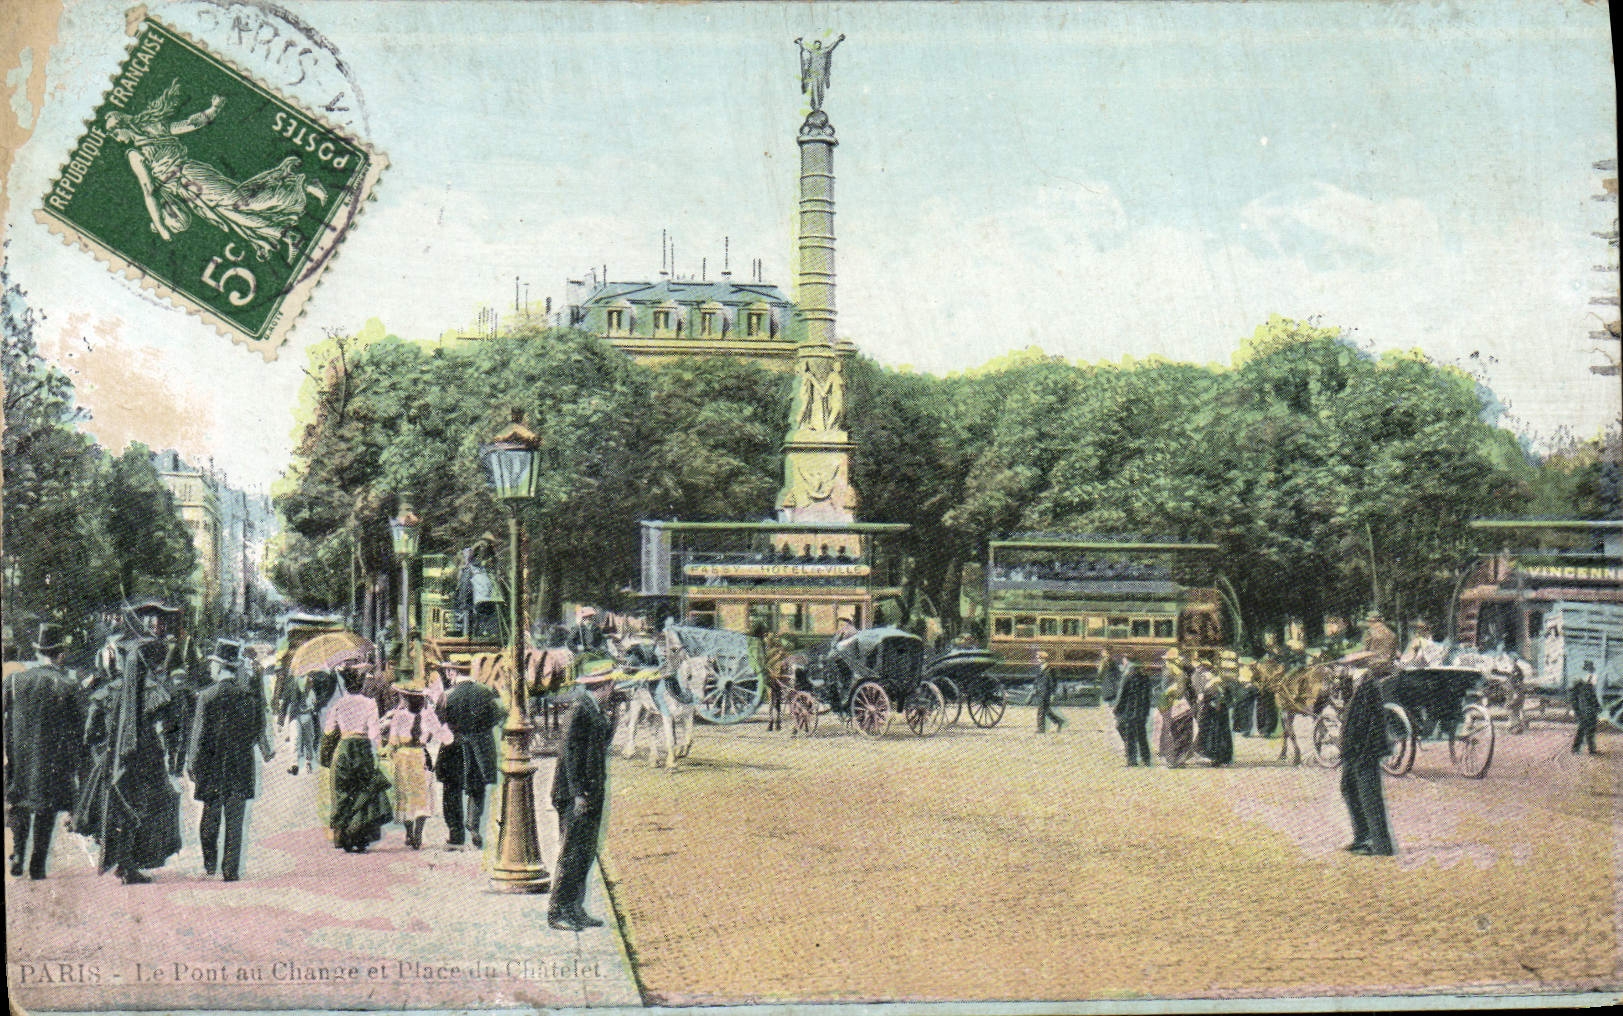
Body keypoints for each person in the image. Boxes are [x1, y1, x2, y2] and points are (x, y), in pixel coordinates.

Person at [76, 636, 183, 883]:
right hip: (147, 762)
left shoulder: (105, 692)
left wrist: (105, 754)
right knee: (143, 810)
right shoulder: (155, 691)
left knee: (118, 810)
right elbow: (171, 726)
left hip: (114, 761)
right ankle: (129, 864)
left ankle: (124, 862)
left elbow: (90, 734)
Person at [5, 624, 84, 880]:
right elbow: (76, 732)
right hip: (51, 761)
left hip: (18, 758)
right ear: (60, 654)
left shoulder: (14, 681)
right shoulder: (67, 685)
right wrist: (75, 768)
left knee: (19, 802)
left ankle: (17, 854)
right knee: (45, 809)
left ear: (37, 652)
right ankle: (37, 865)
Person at [186, 656, 275, 880]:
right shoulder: (248, 697)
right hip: (240, 764)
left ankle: (209, 863)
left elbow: (198, 733)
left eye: (213, 665)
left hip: (212, 765)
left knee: (210, 817)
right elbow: (258, 729)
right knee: (236, 821)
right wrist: (264, 750)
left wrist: (192, 762)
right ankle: (230, 871)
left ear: (219, 668)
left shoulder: (206, 696)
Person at [548, 668, 617, 932]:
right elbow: (570, 755)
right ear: (605, 686)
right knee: (571, 854)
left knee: (585, 854)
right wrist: (578, 794)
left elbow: (602, 743)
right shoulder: (580, 711)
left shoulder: (594, 709)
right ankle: (557, 912)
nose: (612, 693)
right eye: (611, 687)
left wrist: (613, 718)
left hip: (590, 793)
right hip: (575, 795)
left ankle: (575, 909)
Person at [322, 666, 392, 853]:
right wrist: (378, 752)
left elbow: (328, 730)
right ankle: (360, 835)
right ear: (361, 685)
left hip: (344, 747)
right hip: (362, 749)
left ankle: (342, 835)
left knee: (342, 790)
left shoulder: (338, 703)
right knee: (363, 789)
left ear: (345, 685)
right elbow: (374, 733)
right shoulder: (370, 703)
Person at [438, 664, 503, 849]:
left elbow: (438, 720)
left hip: (453, 745)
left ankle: (455, 834)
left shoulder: (447, 695)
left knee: (451, 789)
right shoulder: (485, 691)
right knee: (476, 786)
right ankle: (473, 825)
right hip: (479, 746)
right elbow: (496, 716)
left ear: (453, 672)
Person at [381, 683, 449, 850]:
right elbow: (442, 735)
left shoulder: (398, 716)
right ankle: (418, 833)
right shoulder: (429, 715)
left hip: (403, 758)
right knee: (423, 795)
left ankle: (409, 831)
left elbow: (393, 741)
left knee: (405, 795)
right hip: (420, 756)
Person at [1339, 664, 1396, 856]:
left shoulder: (1369, 687)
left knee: (1370, 796)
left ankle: (1381, 846)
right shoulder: (1357, 686)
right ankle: (1362, 837)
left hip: (1364, 750)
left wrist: (1366, 752)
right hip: (1352, 750)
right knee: (1348, 787)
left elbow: (1373, 723)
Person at [1111, 653, 1154, 767]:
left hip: (1129, 712)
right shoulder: (1145, 677)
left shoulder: (1127, 676)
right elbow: (1148, 696)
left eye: (1124, 661)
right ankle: (1146, 759)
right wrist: (1146, 711)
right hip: (1141, 712)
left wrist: (1116, 709)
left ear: (1129, 663)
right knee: (1142, 735)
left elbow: (1121, 695)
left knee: (1130, 736)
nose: (1123, 663)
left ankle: (1132, 760)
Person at [1156, 649, 1197, 768]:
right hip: (1180, 706)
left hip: (1173, 706)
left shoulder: (1172, 671)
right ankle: (1176, 759)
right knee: (1180, 732)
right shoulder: (1178, 673)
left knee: (1174, 731)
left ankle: (1173, 758)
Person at [1197, 651, 1237, 766]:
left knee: (1218, 732)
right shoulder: (1215, 676)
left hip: (1217, 707)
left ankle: (1219, 758)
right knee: (1220, 732)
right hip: (1217, 706)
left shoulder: (1213, 677)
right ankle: (1223, 757)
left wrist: (1217, 700)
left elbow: (1219, 692)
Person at [1571, 661, 1601, 755]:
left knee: (1590, 728)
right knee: (1583, 728)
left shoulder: (1589, 683)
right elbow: (1573, 698)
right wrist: (1576, 710)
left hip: (1590, 709)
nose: (1591, 673)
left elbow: (1594, 697)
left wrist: (1597, 707)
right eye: (1589, 671)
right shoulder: (1579, 683)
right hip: (1583, 709)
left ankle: (1590, 749)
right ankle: (1577, 748)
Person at [1031, 650, 1064, 733]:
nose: (1037, 660)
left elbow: (1053, 683)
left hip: (1046, 693)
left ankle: (1041, 729)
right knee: (1046, 710)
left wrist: (1053, 693)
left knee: (1041, 711)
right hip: (1041, 691)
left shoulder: (1049, 670)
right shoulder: (1041, 668)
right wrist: (1035, 687)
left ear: (1043, 659)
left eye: (1038, 658)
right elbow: (1037, 680)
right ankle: (1059, 721)